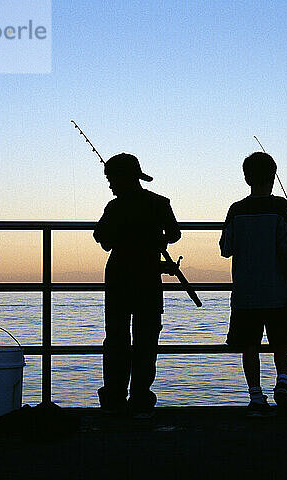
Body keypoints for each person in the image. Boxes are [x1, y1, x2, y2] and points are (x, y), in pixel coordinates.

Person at [93, 153, 181, 417]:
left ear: (123, 178)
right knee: (146, 340)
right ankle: (141, 397)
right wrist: (157, 242)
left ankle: (114, 397)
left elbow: (103, 239)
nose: (110, 185)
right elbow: (175, 234)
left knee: (117, 339)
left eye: (111, 179)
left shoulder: (114, 207)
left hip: (119, 279)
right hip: (148, 279)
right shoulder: (159, 203)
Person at [219, 152, 287, 416]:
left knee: (249, 344)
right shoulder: (280, 208)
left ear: (246, 178)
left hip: (245, 292)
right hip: (278, 289)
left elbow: (225, 248)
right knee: (282, 339)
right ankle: (283, 382)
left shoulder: (236, 210)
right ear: (273, 176)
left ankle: (256, 395)